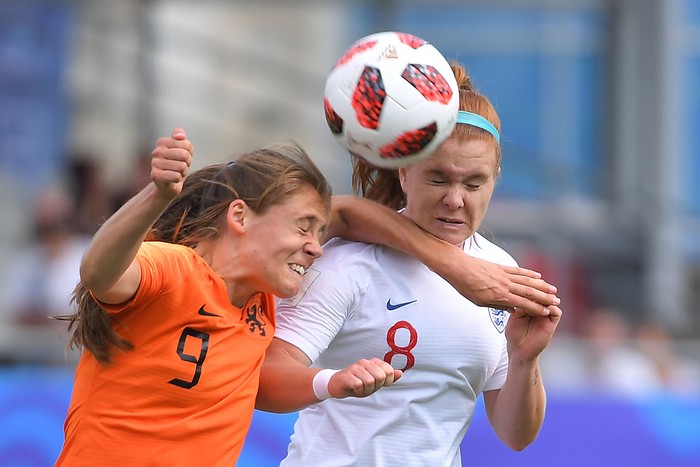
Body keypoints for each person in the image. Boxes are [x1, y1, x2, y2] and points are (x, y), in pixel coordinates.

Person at [54, 127, 559, 466]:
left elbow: (348, 217)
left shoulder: (262, 306)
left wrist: (331, 382)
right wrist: (154, 196)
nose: (317, 247)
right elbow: (99, 271)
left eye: (319, 232)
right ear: (240, 217)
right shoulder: (175, 270)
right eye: (304, 228)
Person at [256, 62, 563, 466]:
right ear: (404, 172)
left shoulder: (500, 273)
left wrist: (525, 359)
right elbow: (263, 379)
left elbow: (516, 435)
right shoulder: (350, 263)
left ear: (495, 179)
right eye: (438, 179)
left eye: (474, 183)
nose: (456, 199)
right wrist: (332, 382)